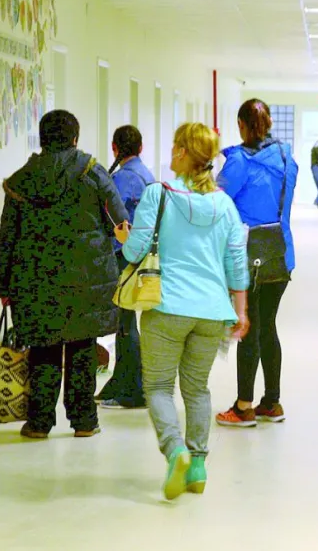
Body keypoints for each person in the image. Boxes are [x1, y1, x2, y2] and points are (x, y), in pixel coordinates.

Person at [120, 122, 249, 500]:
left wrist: (125, 238)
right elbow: (236, 262)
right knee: (197, 389)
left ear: (180, 153)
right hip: (212, 311)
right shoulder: (224, 205)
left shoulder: (157, 194)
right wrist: (240, 311)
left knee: (159, 386)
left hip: (166, 307)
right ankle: (197, 465)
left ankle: (174, 449)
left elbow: (134, 252)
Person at [0, 109, 127, 439]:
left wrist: (3, 282)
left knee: (43, 348)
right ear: (74, 138)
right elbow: (121, 221)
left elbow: (7, 236)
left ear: (42, 139)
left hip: (34, 279)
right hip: (87, 278)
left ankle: (39, 422)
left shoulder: (21, 179)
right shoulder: (93, 172)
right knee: (82, 347)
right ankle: (84, 421)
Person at [215, 99, 299, 427]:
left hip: (248, 256)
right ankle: (272, 402)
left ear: (241, 125)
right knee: (268, 327)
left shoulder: (239, 162)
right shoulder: (285, 158)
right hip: (281, 253)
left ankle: (243, 406)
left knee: (248, 327)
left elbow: (217, 201)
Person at [95, 124, 155, 410]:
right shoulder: (147, 176)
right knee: (126, 323)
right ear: (141, 148)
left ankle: (133, 389)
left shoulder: (121, 180)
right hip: (143, 256)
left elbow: (110, 220)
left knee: (125, 324)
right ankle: (122, 382)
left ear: (114, 148)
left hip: (124, 257)